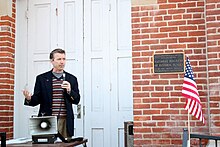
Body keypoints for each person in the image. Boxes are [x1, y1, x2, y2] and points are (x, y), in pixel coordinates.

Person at [23, 48, 80, 139]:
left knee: (65, 145)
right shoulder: (41, 78)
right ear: (52, 61)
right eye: (59, 59)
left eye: (64, 59)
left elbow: (77, 100)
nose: (62, 62)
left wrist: (69, 91)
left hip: (65, 120)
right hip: (47, 120)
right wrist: (29, 98)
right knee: (46, 144)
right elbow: (37, 99)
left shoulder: (71, 78)